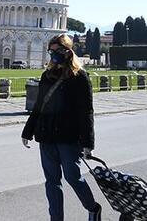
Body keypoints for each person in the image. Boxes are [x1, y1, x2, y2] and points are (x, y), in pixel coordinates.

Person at [22, 34, 102, 221]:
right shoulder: (47, 75)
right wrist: (28, 131)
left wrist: (87, 142)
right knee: (52, 182)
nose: (53, 54)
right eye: (51, 51)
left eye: (57, 50)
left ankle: (92, 208)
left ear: (68, 51)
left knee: (73, 178)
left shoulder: (80, 77)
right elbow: (39, 106)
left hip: (68, 137)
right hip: (46, 135)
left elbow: (86, 111)